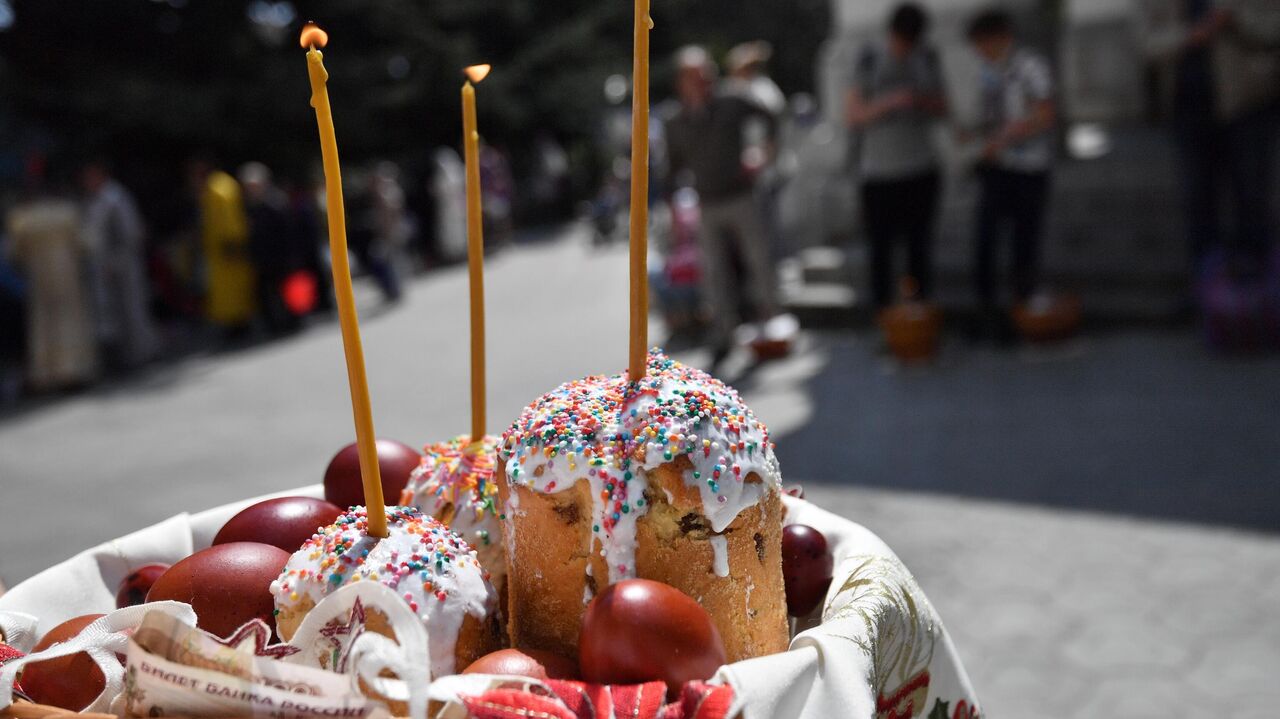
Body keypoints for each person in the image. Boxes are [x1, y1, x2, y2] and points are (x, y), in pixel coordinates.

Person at [1137, 0, 1280, 276]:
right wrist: (1191, 35)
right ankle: (1208, 292)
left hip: (1248, 104)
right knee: (1198, 201)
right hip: (1188, 110)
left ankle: (1258, 292)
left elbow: (1273, 27)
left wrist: (1235, 19)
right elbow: (1145, 42)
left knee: (1251, 198)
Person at [666, 45, 780, 369]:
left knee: (758, 260)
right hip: (707, 203)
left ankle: (768, 323)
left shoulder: (732, 101)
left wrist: (763, 153)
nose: (703, 82)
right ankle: (723, 335)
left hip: (741, 195)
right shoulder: (677, 121)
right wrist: (674, 209)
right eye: (694, 77)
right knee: (714, 274)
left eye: (706, 75)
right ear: (682, 82)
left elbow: (769, 116)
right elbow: (672, 170)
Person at [846, 3, 948, 310]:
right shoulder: (868, 58)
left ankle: (919, 316)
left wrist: (918, 100)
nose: (905, 48)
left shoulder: (927, 57)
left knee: (919, 249)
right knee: (881, 252)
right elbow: (853, 114)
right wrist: (890, 102)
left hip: (921, 168)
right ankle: (886, 319)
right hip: (879, 173)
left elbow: (944, 107)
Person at [965, 9, 1056, 338]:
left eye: (982, 43)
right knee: (985, 240)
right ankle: (987, 311)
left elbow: (1044, 115)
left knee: (1024, 242)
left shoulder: (1030, 67)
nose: (980, 51)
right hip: (996, 169)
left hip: (1029, 169)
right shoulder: (988, 71)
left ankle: (1024, 312)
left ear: (999, 37)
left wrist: (1005, 138)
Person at [6, 180, 98, 391]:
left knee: (45, 323)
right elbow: (85, 243)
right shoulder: (66, 212)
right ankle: (75, 368)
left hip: (39, 277)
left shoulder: (22, 218)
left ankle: (50, 373)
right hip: (66, 273)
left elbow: (15, 253)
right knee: (70, 320)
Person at [80, 160, 160, 371]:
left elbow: (130, 232)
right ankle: (128, 357)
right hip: (105, 266)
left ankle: (144, 354)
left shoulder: (115, 197)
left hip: (122, 263)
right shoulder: (96, 199)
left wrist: (115, 261)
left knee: (133, 310)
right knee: (116, 314)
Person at [188, 159, 255, 339]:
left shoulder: (217, 188)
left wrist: (231, 241)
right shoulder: (221, 185)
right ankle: (237, 323)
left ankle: (238, 324)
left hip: (226, 246)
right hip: (223, 247)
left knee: (231, 288)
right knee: (230, 287)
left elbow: (228, 218)